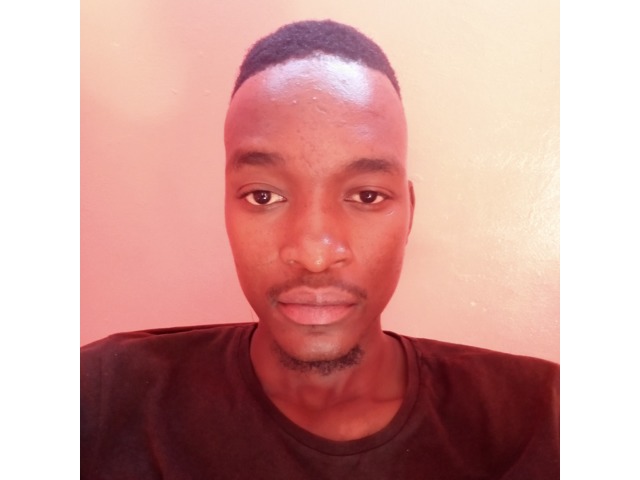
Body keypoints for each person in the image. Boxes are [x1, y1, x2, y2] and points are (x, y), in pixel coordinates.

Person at [81, 19, 559, 479]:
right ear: (226, 208)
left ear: (409, 214)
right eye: (263, 196)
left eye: (366, 196)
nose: (314, 256)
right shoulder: (103, 396)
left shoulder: (546, 419)